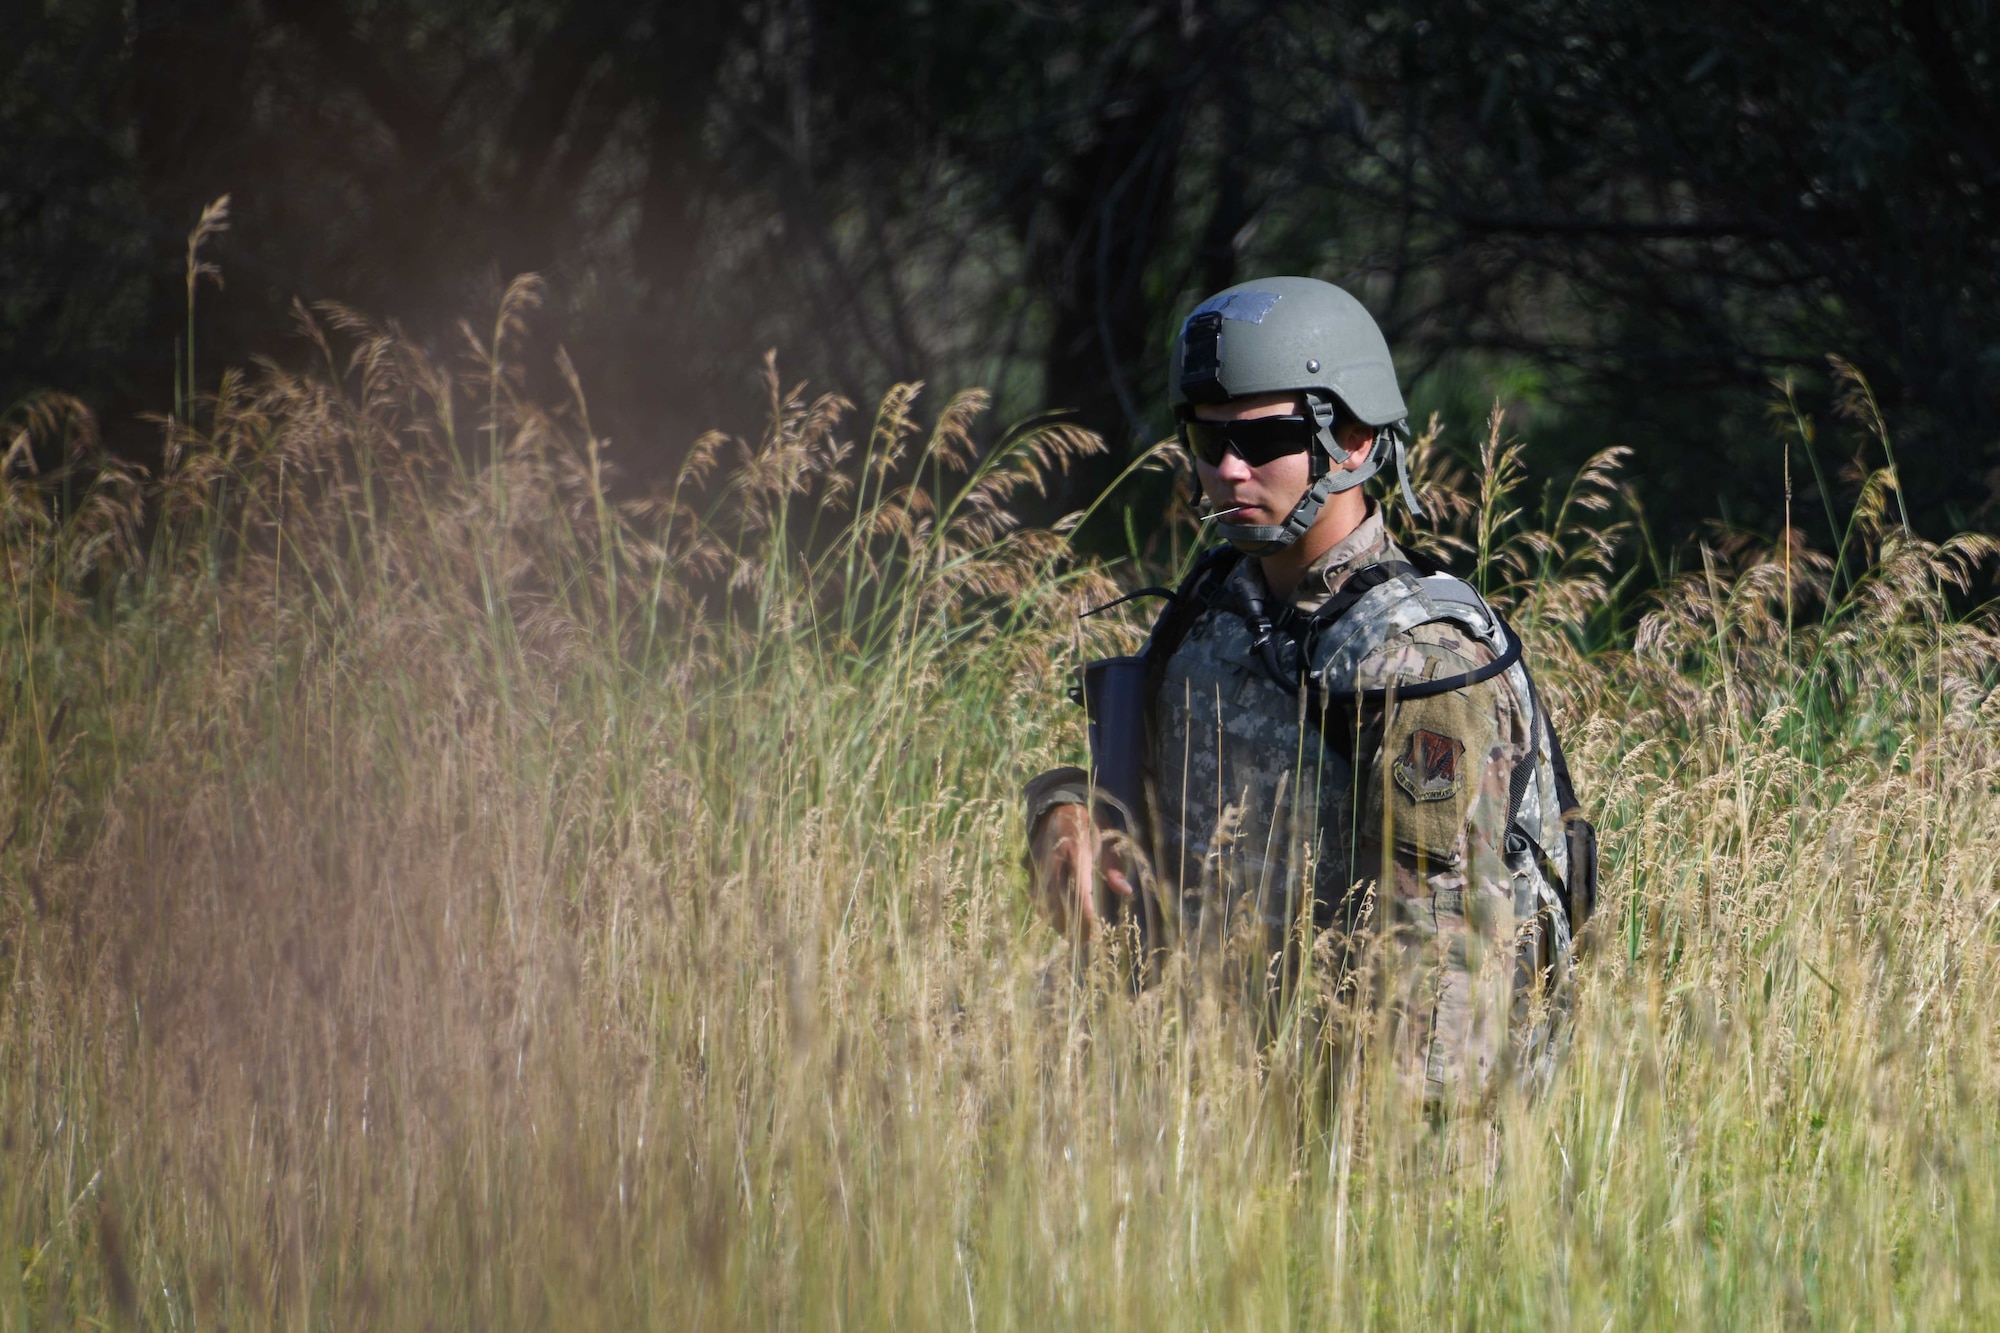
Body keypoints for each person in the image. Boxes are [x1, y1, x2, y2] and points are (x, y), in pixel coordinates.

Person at [1022, 276, 1595, 1110]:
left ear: (1355, 439)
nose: (1226, 469)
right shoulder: (1213, 610)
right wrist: (1065, 818)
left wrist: (1349, 1196)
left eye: (1264, 440)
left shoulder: (1421, 658)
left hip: (1361, 1129)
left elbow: (1435, 981)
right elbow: (1134, 804)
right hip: (1213, 1091)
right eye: (1207, 440)